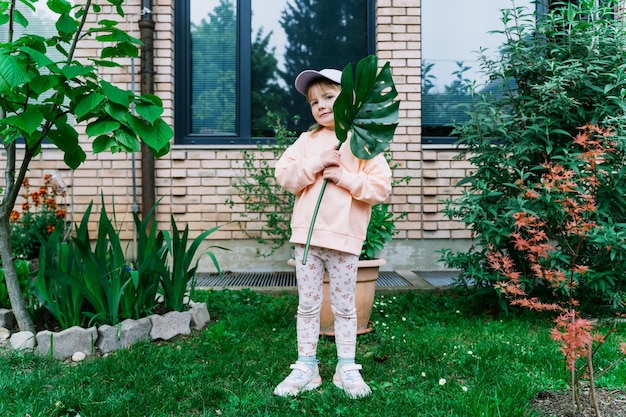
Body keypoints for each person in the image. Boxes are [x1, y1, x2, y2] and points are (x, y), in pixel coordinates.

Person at [273, 68, 392, 398]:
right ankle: (306, 366)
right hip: (308, 242)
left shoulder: (362, 143)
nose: (321, 105)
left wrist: (345, 178)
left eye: (329, 97)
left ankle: (346, 367)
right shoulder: (307, 141)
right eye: (314, 101)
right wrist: (315, 164)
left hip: (344, 242)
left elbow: (380, 188)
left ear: (350, 101)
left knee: (344, 306)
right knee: (308, 306)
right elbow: (284, 175)